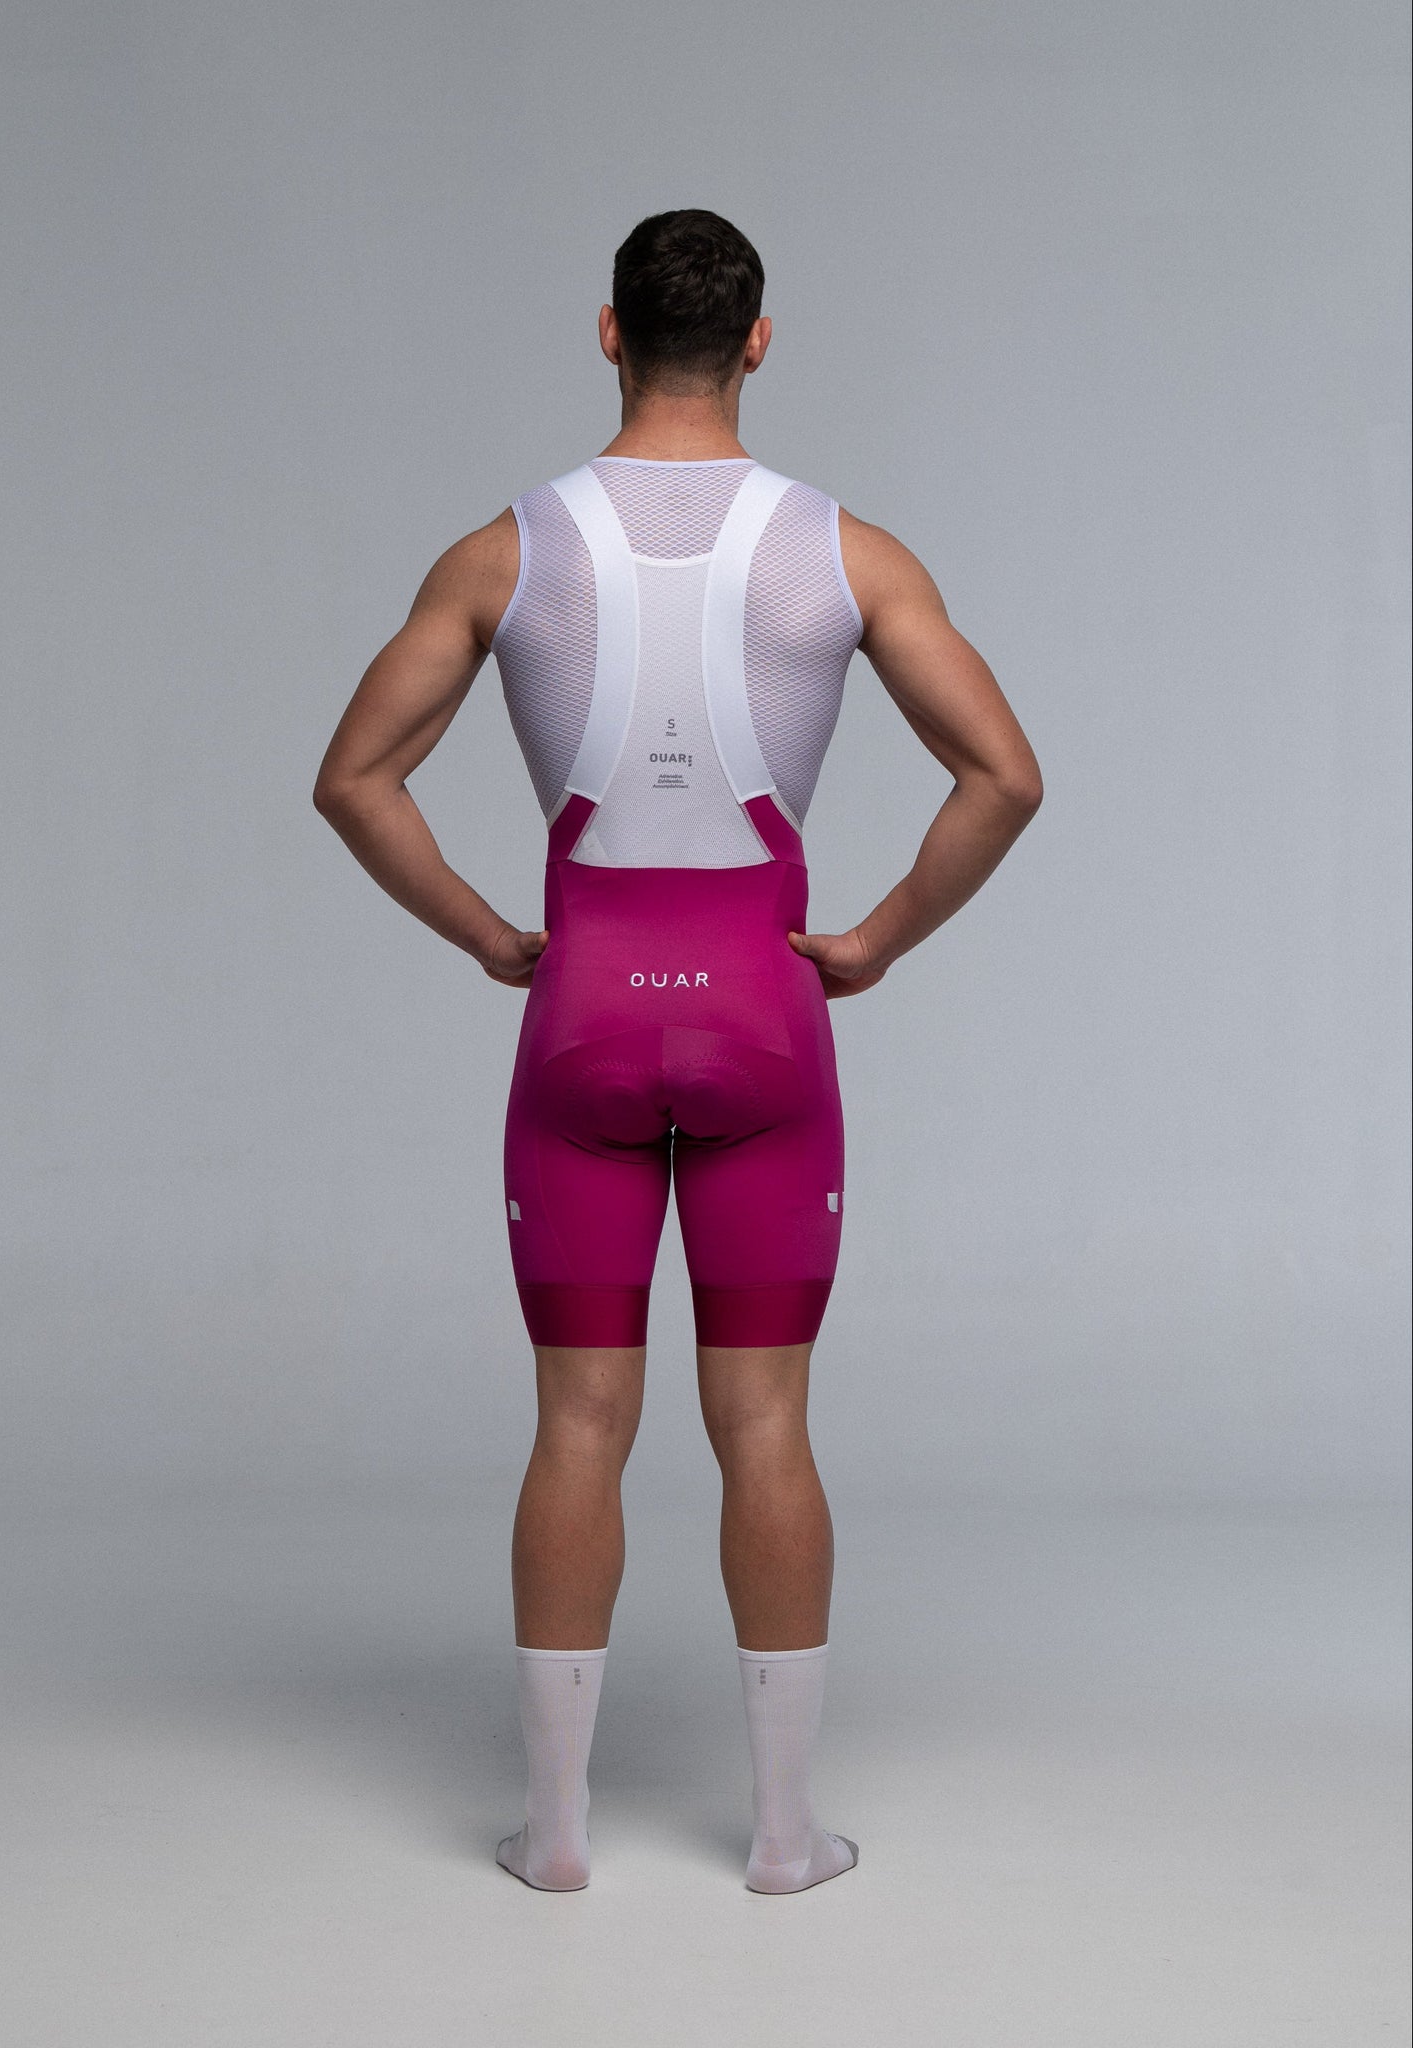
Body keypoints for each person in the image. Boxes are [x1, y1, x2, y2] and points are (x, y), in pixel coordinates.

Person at [313, 208, 1042, 1894]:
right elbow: (1004, 774)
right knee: (764, 1419)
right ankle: (784, 1836)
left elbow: (353, 777)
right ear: (759, 342)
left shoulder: (502, 555)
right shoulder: (847, 555)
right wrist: (876, 938)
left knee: (580, 1421)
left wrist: (488, 934)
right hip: (762, 1017)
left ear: (607, 332)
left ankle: (555, 1834)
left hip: (579, 1011)